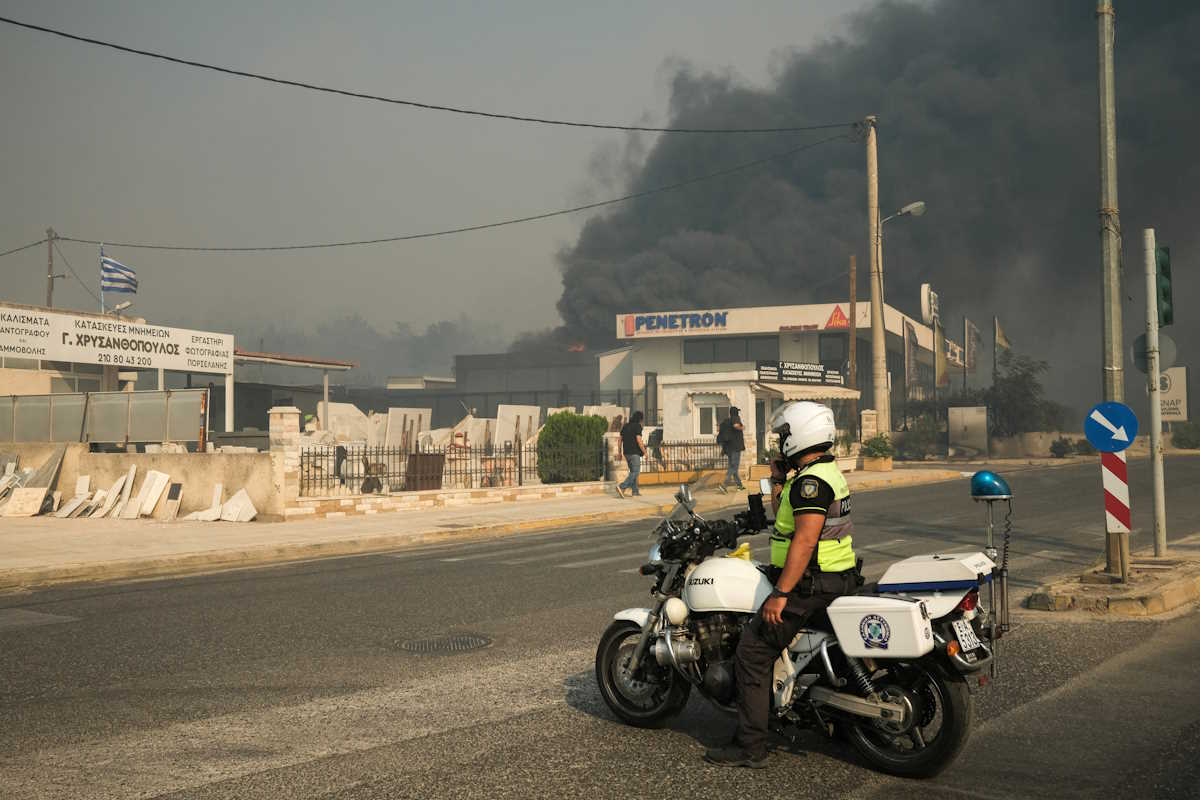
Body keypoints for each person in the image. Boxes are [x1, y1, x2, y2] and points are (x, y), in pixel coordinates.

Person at [705, 400, 859, 769]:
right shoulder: (821, 474)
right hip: (834, 579)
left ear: (801, 434)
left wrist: (781, 594)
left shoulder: (810, 484)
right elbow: (783, 518)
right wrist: (777, 480)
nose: (780, 441)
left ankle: (750, 745)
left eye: (784, 435)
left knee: (752, 652)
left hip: (810, 586)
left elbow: (804, 542)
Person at [616, 411, 646, 498]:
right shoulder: (637, 426)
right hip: (634, 453)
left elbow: (620, 440)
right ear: (640, 419)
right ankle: (622, 486)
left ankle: (635, 491)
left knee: (633, 472)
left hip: (626, 453)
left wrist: (619, 452)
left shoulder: (625, 426)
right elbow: (639, 440)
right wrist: (645, 452)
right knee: (636, 472)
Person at [717, 407, 746, 491]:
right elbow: (736, 425)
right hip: (735, 448)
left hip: (728, 448)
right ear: (736, 413)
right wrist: (742, 427)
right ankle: (724, 485)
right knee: (733, 467)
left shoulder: (726, 421)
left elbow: (719, 429)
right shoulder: (735, 418)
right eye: (737, 412)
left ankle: (739, 485)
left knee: (733, 467)